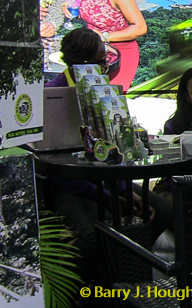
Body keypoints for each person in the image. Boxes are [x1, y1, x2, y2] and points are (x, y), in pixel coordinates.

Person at [44, 26, 171, 284]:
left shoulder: (105, 93)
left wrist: (124, 191)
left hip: (106, 180)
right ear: (81, 63)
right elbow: (58, 172)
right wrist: (109, 197)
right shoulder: (52, 96)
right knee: (92, 235)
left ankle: (124, 269)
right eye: (101, 62)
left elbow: (115, 152)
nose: (106, 67)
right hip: (70, 185)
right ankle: (97, 285)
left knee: (162, 211)